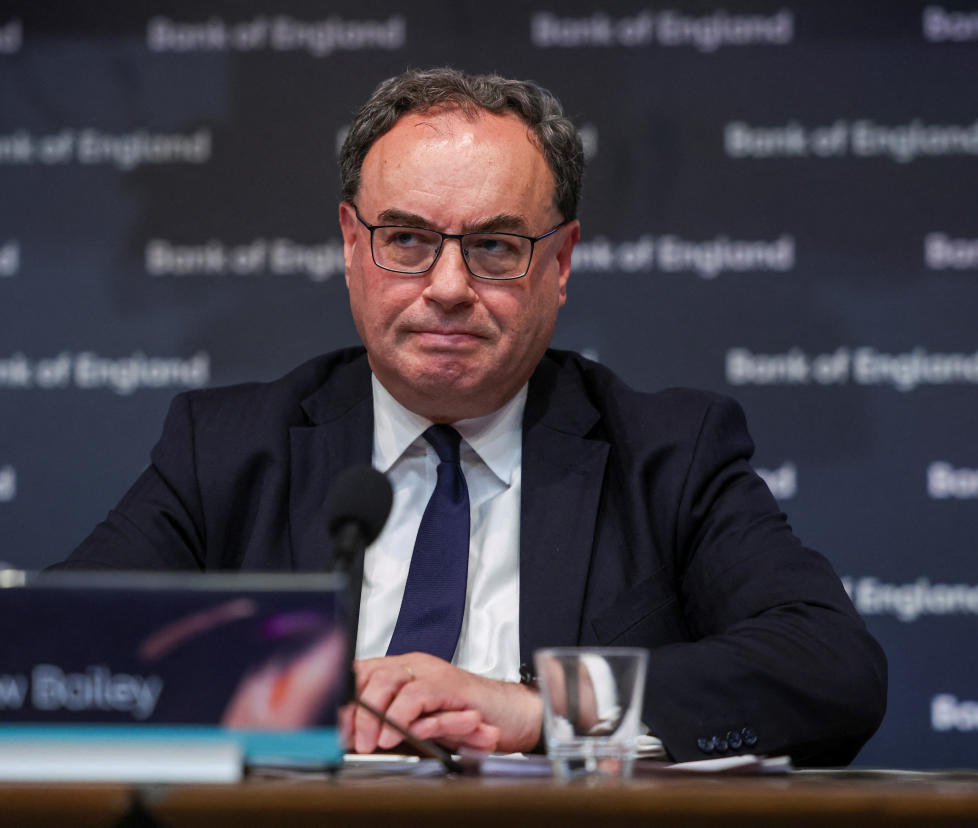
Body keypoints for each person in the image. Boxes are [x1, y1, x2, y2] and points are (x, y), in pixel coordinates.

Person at [57, 67, 887, 765]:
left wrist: (541, 709)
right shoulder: (230, 451)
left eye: (494, 246)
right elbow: (59, 651)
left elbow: (831, 669)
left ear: (559, 263)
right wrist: (280, 693)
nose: (449, 287)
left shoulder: (666, 454)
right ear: (352, 247)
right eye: (408, 240)